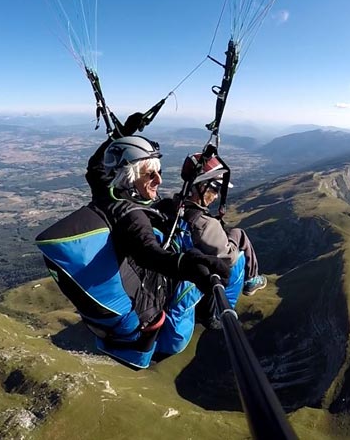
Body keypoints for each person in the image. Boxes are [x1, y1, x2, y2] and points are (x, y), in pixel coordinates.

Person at [36, 136, 230, 369]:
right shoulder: (131, 215)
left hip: (133, 301)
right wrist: (186, 264)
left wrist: (119, 136)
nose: (158, 180)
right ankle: (213, 316)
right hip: (153, 306)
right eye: (150, 174)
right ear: (129, 177)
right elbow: (148, 253)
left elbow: (94, 168)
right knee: (211, 263)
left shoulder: (106, 195)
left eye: (158, 172)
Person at [179, 153, 267, 297]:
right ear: (201, 186)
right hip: (214, 272)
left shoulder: (174, 207)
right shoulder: (206, 225)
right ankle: (251, 279)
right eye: (215, 188)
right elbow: (229, 258)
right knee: (238, 233)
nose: (216, 195)